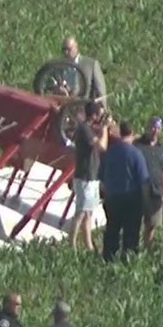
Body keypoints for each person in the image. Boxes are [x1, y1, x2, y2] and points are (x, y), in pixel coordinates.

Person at [98, 121, 150, 262]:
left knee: (112, 230)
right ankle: (128, 259)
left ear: (120, 133)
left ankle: (108, 258)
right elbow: (143, 179)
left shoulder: (111, 152)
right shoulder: (136, 154)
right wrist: (145, 202)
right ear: (132, 134)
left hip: (113, 198)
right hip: (132, 199)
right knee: (131, 232)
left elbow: (101, 175)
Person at [68, 101, 110, 252]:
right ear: (93, 115)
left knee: (89, 212)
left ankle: (89, 245)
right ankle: (71, 245)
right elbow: (102, 147)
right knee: (80, 213)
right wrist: (105, 129)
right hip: (85, 177)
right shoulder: (85, 129)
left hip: (91, 177)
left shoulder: (88, 128)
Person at [134, 117, 163, 248]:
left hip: (156, 191)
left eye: (157, 128)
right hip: (138, 191)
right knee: (134, 223)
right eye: (152, 127)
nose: (154, 131)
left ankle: (147, 249)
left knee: (152, 225)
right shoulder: (138, 146)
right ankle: (132, 249)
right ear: (147, 128)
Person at [61, 36, 107, 104]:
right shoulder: (60, 66)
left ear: (76, 48)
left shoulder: (90, 64)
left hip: (84, 106)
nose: (66, 52)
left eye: (68, 49)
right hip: (65, 105)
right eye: (64, 49)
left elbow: (100, 89)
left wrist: (103, 107)